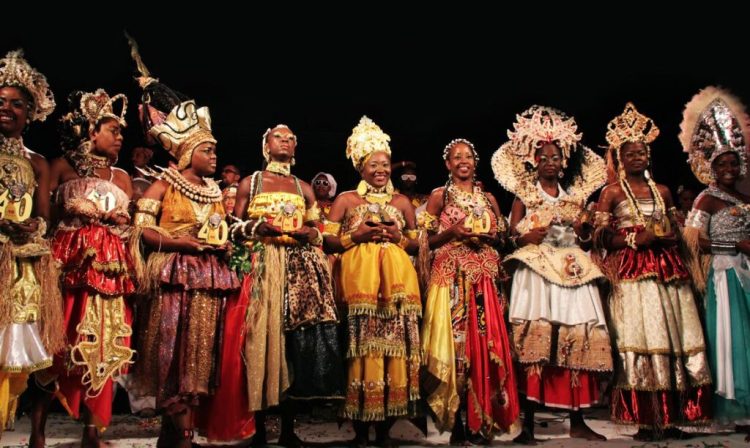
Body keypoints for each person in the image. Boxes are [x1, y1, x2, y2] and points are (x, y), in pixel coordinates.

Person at [127, 51, 242, 445]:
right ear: (187, 152)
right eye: (207, 150)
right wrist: (179, 241)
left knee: (202, 355)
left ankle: (181, 429)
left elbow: (219, 230)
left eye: (214, 150)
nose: (214, 156)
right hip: (175, 274)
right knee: (172, 351)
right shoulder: (165, 184)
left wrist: (224, 243)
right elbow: (141, 231)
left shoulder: (214, 192)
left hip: (209, 278)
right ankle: (179, 428)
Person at [492, 106, 611, 443]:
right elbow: (510, 235)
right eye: (544, 157)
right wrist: (524, 236)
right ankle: (527, 424)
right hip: (537, 275)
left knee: (576, 335)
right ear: (534, 160)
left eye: (556, 157)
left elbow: (585, 239)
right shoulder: (525, 195)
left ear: (564, 160)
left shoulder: (575, 199)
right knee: (536, 340)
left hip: (572, 271)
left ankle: (577, 420)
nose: (550, 162)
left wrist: (582, 229)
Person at [595, 102, 711, 441]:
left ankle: (673, 418)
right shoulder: (611, 192)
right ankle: (646, 421)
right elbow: (602, 239)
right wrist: (635, 238)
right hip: (633, 274)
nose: (638, 157)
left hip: (668, 270)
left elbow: (675, 226)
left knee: (675, 337)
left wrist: (668, 234)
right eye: (630, 154)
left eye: (643, 152)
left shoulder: (661, 191)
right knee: (643, 338)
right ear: (620, 157)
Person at [230, 124, 343, 447]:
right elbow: (232, 225)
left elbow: (316, 227)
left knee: (293, 345)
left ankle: (290, 429)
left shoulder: (303, 187)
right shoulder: (250, 182)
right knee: (260, 342)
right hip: (261, 265)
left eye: (292, 138)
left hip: (298, 270)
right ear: (266, 145)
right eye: (279, 136)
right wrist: (255, 227)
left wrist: (313, 234)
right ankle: (260, 429)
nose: (286, 141)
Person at [323, 116, 421, 447]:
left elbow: (420, 243)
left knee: (395, 352)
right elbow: (327, 241)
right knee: (360, 352)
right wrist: (357, 235)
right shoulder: (347, 200)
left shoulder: (402, 202)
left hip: (396, 291)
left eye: (384, 163)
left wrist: (398, 237)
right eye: (372, 164)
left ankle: (387, 427)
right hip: (359, 289)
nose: (380, 169)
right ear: (360, 168)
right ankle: (361, 429)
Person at [48, 88, 135, 447]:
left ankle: (92, 429)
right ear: (91, 131)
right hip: (70, 261)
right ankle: (39, 426)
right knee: (62, 338)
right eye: (113, 130)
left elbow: (130, 230)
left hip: (112, 268)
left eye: (121, 133)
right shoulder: (62, 166)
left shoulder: (124, 178)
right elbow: (50, 217)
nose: (119, 138)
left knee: (105, 342)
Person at [420, 138, 519, 444]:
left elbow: (502, 238)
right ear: (448, 164)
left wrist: (490, 235)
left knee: (483, 344)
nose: (463, 160)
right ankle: (457, 422)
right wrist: (453, 232)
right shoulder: (439, 196)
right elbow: (424, 243)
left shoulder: (489, 198)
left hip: (483, 283)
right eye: (455, 157)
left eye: (468, 156)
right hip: (452, 281)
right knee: (457, 348)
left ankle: (482, 419)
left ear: (475, 163)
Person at [0, 49, 63, 443]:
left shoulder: (38, 162)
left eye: (15, 104)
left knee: (14, 353)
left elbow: (43, 216)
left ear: (29, 112)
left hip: (20, 264)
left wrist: (30, 226)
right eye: (0, 102)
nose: (6, 108)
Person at [681, 87, 750, 440]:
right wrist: (734, 244)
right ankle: (732, 404)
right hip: (724, 274)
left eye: (733, 162)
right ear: (709, 167)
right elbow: (694, 241)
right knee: (730, 336)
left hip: (747, 271)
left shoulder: (745, 195)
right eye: (721, 164)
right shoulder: (707, 199)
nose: (728, 168)